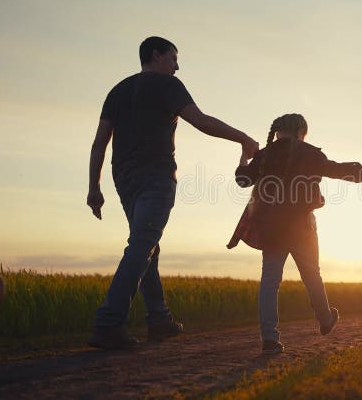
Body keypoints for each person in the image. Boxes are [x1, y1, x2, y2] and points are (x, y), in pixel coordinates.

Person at [86, 36, 259, 349]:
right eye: (173, 58)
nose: (177, 66)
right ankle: (109, 322)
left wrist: (93, 187)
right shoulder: (167, 85)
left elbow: (100, 143)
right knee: (142, 244)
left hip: (123, 177)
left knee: (147, 244)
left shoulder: (117, 90)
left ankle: (159, 319)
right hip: (156, 176)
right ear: (157, 55)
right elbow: (202, 121)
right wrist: (243, 138)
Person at [228, 113, 362, 354]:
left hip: (271, 226)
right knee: (312, 275)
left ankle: (269, 339)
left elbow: (242, 180)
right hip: (302, 226)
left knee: (270, 281)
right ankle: (325, 319)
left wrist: (244, 156)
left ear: (278, 131)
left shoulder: (264, 155)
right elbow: (335, 170)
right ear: (301, 131)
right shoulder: (310, 153)